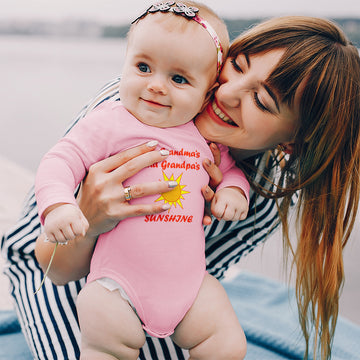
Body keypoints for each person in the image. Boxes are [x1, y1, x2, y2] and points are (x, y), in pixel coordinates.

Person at [2, 14, 360, 360]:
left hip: (154, 288)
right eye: (237, 65)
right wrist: (90, 214)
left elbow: (187, 288)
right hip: (51, 262)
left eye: (262, 101)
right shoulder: (138, 101)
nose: (227, 93)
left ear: (292, 142)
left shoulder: (263, 198)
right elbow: (56, 268)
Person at [34, 2, 249, 359]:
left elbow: (231, 171)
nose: (156, 86)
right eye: (143, 67)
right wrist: (58, 205)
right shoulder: (110, 122)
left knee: (226, 343)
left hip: (189, 286)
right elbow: (60, 159)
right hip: (116, 285)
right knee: (106, 346)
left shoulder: (200, 135)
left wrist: (233, 190)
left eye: (178, 79)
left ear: (207, 93)